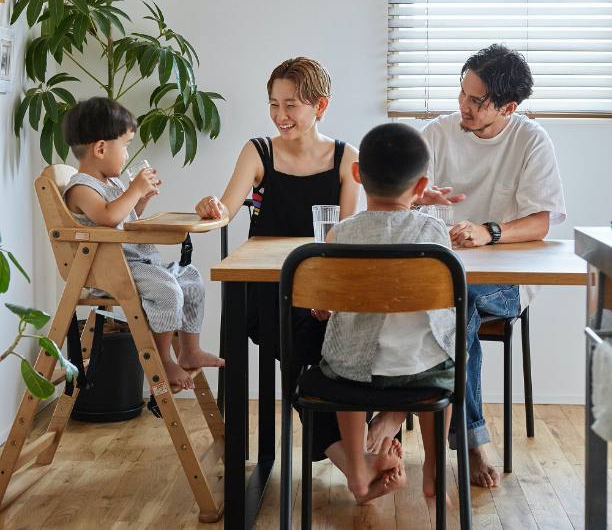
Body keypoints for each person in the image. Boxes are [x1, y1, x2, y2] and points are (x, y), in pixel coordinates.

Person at [368, 44, 566, 488]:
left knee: (460, 301)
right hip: (438, 274)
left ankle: (446, 431)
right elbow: (401, 194)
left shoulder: (530, 140)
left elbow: (542, 220)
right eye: (462, 92)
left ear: (508, 107)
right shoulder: (436, 133)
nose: (463, 105)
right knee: (433, 296)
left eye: (476, 100)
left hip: (505, 282)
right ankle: (460, 436)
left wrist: (489, 232)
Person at [195, 57, 360, 459]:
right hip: (269, 290)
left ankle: (353, 453)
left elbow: (348, 239)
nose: (279, 115)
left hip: (322, 290)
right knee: (305, 340)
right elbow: (226, 209)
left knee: (344, 342)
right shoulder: (258, 152)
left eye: (291, 105)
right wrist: (212, 206)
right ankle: (352, 455)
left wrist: (328, 296)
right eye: (273, 104)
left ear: (320, 106)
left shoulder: (345, 157)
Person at [319, 122, 456, 504]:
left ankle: (359, 474)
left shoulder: (341, 234)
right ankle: (432, 469)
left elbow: (327, 300)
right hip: (421, 369)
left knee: (344, 362)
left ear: (357, 173)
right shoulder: (434, 233)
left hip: (355, 373)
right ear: (421, 186)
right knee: (446, 364)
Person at [62, 97, 224, 390]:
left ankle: (189, 350)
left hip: (136, 263)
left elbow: (125, 220)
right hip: (112, 270)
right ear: (100, 148)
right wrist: (134, 189)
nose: (127, 154)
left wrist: (140, 199)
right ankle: (163, 358)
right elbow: (108, 218)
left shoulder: (111, 184)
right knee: (168, 291)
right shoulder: (81, 187)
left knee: (191, 279)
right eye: (125, 146)